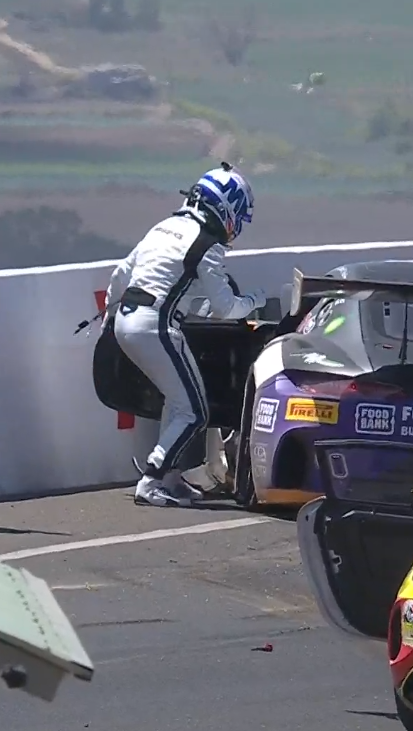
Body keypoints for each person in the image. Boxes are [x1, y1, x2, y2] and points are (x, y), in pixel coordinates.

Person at [102, 162, 264, 507]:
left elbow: (119, 275)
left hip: (125, 321)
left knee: (177, 403)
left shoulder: (163, 227)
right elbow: (225, 308)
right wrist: (255, 300)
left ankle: (171, 478)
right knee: (195, 411)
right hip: (156, 326)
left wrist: (107, 320)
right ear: (226, 207)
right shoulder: (206, 243)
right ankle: (152, 478)